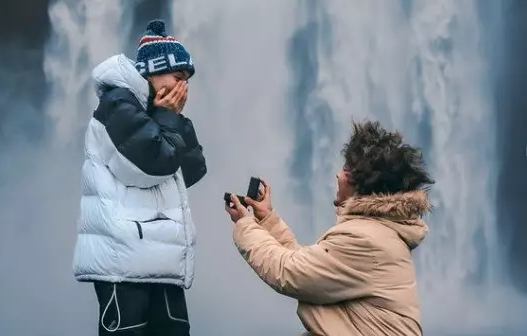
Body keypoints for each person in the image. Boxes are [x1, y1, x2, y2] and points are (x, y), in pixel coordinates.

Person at [226, 120, 434, 336]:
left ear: (362, 183)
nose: (337, 175)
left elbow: (289, 272)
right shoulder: (378, 233)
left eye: (345, 170)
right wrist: (267, 220)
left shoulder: (366, 239)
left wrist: (245, 224)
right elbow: (311, 270)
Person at [72, 19, 206, 336]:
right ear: (152, 71)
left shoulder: (157, 114)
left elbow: (192, 168)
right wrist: (166, 118)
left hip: (161, 265)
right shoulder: (117, 105)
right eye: (178, 76)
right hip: (124, 266)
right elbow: (152, 164)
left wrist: (172, 119)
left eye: (187, 80)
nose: (183, 86)